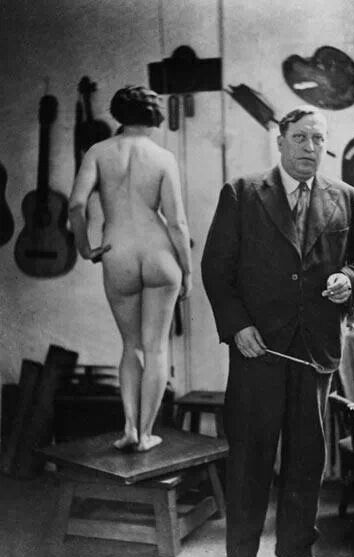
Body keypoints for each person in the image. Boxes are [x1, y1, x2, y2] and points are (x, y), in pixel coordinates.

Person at [201, 106, 354, 557]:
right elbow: (216, 269)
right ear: (279, 141)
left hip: (314, 351)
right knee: (250, 462)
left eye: (318, 139)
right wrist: (237, 326)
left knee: (306, 459)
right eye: (300, 137)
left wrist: (350, 279)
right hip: (257, 349)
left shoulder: (347, 198)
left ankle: (297, 554)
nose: (309, 147)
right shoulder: (242, 193)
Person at [69, 85, 192, 452]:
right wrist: (187, 272)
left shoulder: (98, 152)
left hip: (117, 252)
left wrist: (85, 248)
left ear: (119, 114)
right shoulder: (163, 157)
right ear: (153, 117)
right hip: (159, 254)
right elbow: (177, 224)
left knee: (131, 347)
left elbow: (76, 206)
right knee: (156, 349)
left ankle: (130, 429)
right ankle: (148, 433)